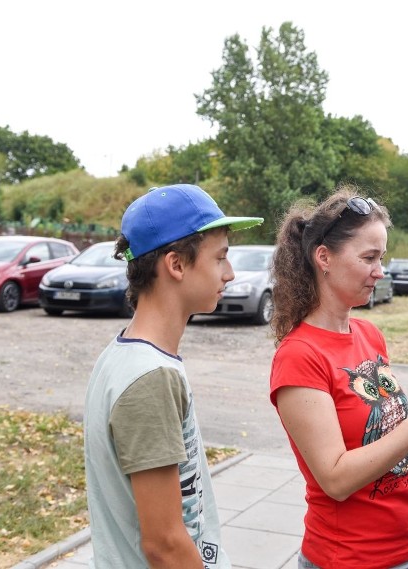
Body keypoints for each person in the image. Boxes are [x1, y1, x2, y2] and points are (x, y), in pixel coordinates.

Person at [269, 184, 408, 568]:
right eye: (369, 257)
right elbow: (336, 478)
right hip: (353, 559)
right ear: (324, 257)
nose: (380, 270)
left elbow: (381, 445)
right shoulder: (299, 356)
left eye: (381, 257)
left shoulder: (369, 335)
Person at [83, 184, 262, 568]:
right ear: (176, 264)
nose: (230, 273)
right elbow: (164, 545)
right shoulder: (150, 377)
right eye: (220, 259)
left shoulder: (124, 356)